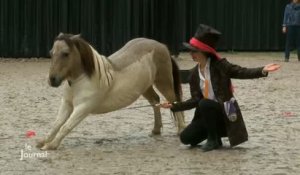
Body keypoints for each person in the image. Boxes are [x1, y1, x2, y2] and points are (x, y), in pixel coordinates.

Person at [161, 24, 281, 152]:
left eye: (194, 50)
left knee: (205, 103)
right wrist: (173, 106)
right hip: (208, 116)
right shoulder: (194, 74)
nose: (191, 53)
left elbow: (241, 72)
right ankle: (214, 136)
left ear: (204, 51)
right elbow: (195, 100)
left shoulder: (221, 66)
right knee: (186, 138)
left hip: (226, 114)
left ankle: (213, 140)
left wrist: (262, 70)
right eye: (190, 50)